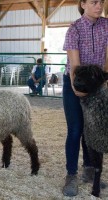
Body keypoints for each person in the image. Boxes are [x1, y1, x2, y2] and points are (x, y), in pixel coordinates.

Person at [62, 0, 108, 197]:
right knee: (76, 129)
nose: (99, 6)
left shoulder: (107, 25)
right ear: (83, 4)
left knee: (93, 129)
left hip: (98, 84)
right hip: (76, 81)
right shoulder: (74, 28)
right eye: (94, 2)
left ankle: (90, 170)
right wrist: (76, 87)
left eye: (102, 2)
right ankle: (71, 175)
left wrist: (105, 80)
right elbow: (75, 66)